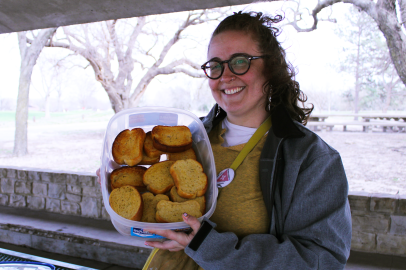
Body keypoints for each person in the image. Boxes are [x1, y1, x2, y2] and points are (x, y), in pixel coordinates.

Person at [141, 11, 352, 270]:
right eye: (215, 65)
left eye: (240, 62)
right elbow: (162, 206)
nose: (225, 76)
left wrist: (209, 245)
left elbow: (321, 261)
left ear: (271, 68)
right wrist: (124, 189)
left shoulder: (309, 158)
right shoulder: (191, 139)